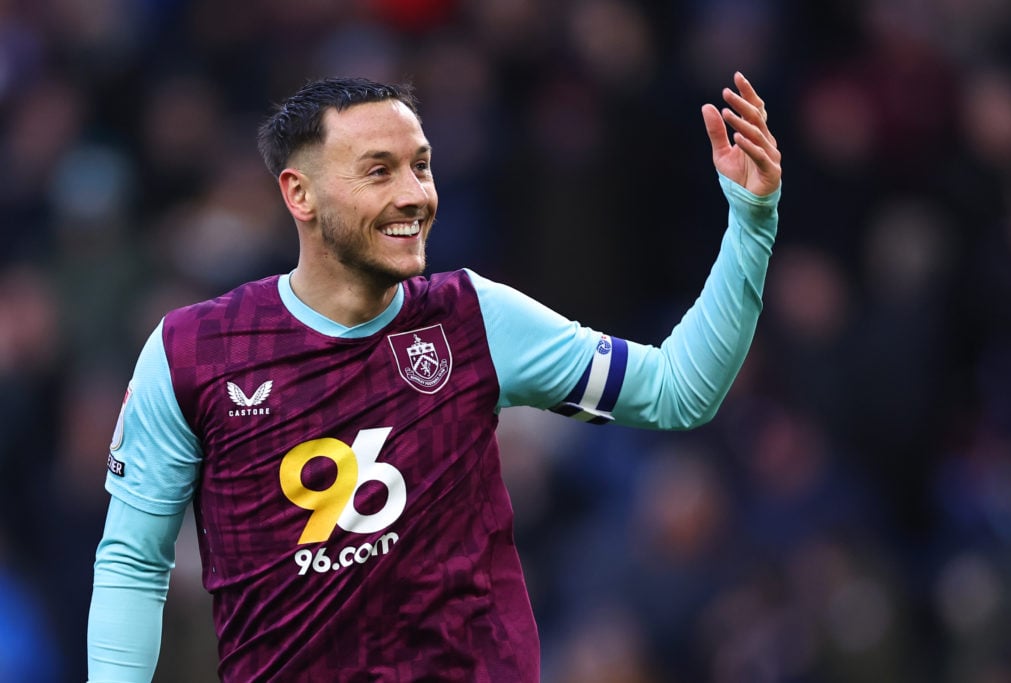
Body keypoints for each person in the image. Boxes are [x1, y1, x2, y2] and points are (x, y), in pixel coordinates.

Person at [87, 72, 781, 682]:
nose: (415, 193)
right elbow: (132, 561)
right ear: (299, 194)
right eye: (378, 170)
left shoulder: (473, 318)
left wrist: (751, 221)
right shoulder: (193, 353)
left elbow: (675, 391)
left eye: (420, 166)